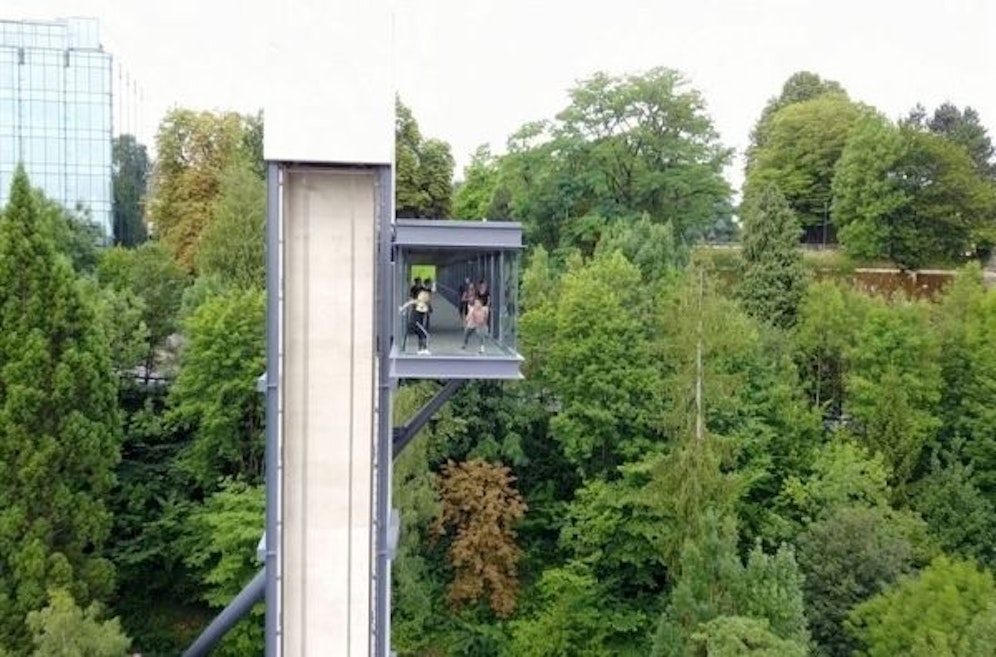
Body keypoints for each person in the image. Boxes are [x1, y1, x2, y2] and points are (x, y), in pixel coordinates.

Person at [399, 288, 432, 355]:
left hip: (419, 322)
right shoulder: (419, 303)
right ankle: (424, 349)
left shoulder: (424, 304)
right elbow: (409, 303)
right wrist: (402, 309)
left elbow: (428, 313)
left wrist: (402, 309)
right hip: (416, 322)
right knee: (424, 334)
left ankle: (421, 349)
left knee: (421, 335)